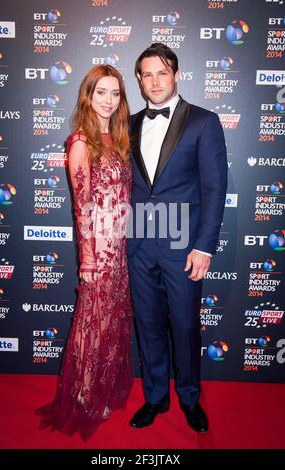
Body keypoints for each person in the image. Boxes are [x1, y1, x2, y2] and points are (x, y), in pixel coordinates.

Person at [127, 43, 227, 433]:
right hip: (137, 241)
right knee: (148, 324)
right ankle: (155, 397)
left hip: (184, 244)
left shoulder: (204, 121)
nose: (154, 81)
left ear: (176, 75)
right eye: (147, 74)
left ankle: (188, 397)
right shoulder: (130, 123)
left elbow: (214, 189)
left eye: (162, 73)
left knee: (184, 325)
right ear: (139, 79)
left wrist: (204, 246)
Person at [36, 65, 133, 442]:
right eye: (101, 93)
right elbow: (82, 205)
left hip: (121, 246)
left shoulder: (118, 140)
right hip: (100, 249)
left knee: (109, 322)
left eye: (115, 94)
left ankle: (100, 389)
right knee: (92, 323)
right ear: (87, 96)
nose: (108, 101)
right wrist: (88, 258)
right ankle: (82, 395)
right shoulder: (80, 141)